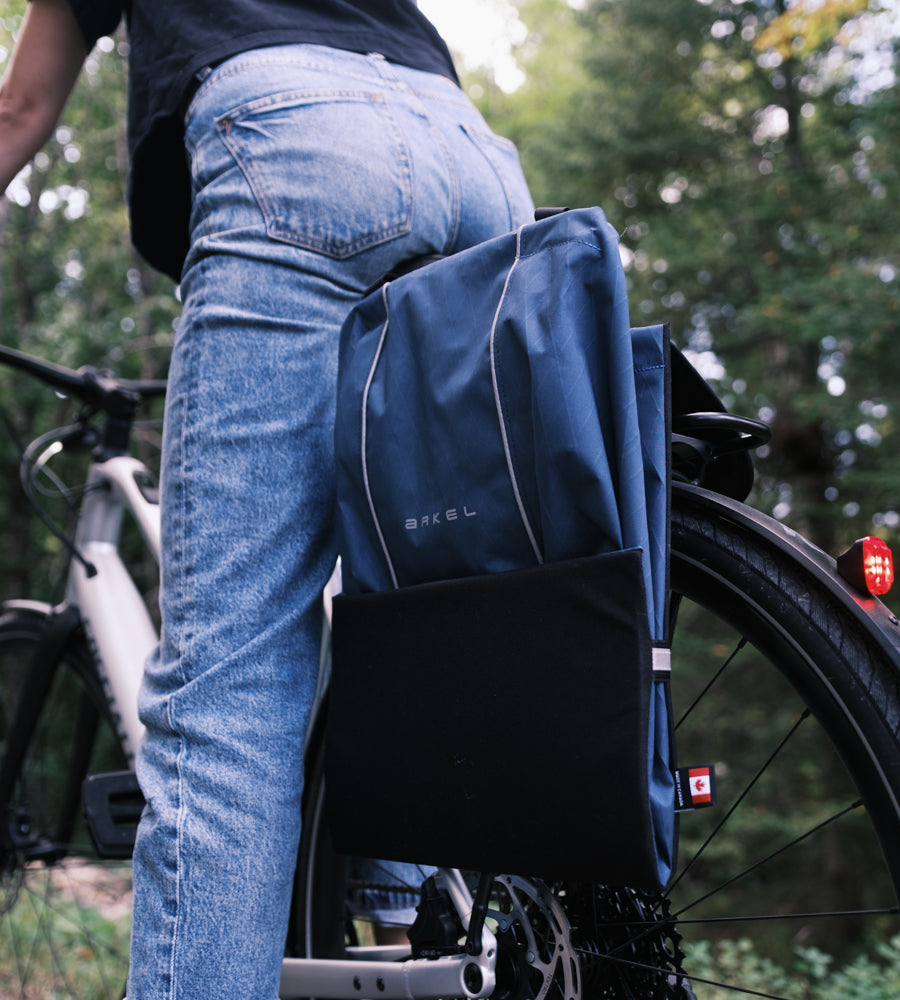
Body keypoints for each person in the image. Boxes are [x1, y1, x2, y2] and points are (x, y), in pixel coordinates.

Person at [0, 2, 535, 997]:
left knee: (232, 690)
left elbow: (19, 108)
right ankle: (408, 923)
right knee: (437, 605)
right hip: (471, 155)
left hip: (297, 144)